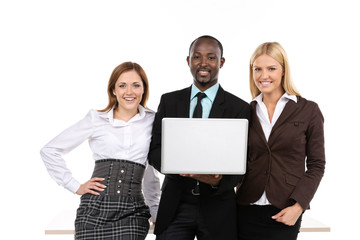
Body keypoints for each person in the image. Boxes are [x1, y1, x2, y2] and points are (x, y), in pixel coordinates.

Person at [40, 62, 161, 240]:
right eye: (122, 85)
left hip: (132, 211)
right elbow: (49, 150)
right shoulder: (96, 119)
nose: (129, 92)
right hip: (94, 207)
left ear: (144, 89)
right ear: (113, 90)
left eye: (136, 85)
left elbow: (150, 172)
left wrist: (155, 210)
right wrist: (75, 186)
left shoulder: (153, 121)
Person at [148, 35, 251, 240]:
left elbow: (244, 161)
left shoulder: (238, 108)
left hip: (218, 206)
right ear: (188, 61)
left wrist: (216, 180)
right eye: (197, 57)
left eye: (211, 57)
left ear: (221, 62)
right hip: (176, 204)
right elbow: (154, 150)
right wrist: (179, 167)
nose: (203, 63)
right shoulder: (169, 101)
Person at [236, 42, 326, 240]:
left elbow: (316, 165)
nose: (263, 75)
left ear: (284, 70)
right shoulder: (245, 111)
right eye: (257, 69)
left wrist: (299, 206)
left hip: (285, 211)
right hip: (245, 209)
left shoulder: (308, 110)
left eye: (271, 68)